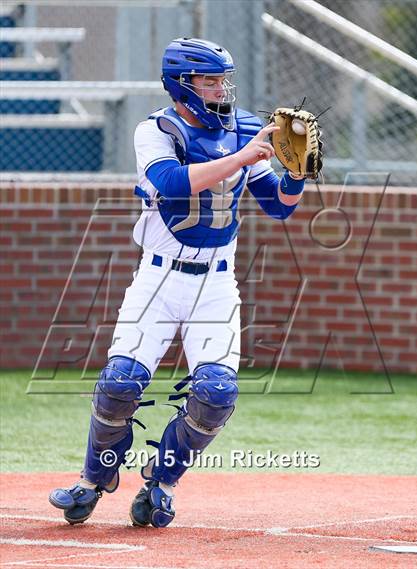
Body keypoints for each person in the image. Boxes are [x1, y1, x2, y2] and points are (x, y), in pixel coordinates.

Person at [49, 37, 305, 528]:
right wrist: (243, 157)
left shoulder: (245, 129)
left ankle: (162, 480)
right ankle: (93, 478)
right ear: (181, 85)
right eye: (208, 81)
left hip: (216, 283)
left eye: (221, 79)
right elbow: (170, 183)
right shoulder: (156, 130)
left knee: (216, 394)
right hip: (158, 279)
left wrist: (295, 176)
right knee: (119, 384)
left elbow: (277, 207)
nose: (218, 89)